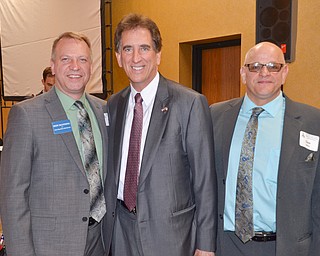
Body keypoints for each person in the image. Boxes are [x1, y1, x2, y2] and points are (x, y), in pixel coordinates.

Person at [102, 13, 217, 256]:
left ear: (158, 55)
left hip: (172, 236)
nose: (136, 58)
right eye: (127, 49)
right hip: (121, 231)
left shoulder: (189, 103)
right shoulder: (113, 105)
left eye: (144, 48)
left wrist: (205, 244)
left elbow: (205, 180)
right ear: (118, 58)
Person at [0, 32, 108, 256]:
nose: (75, 66)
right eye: (66, 59)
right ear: (53, 66)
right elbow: (13, 195)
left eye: (82, 59)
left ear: (91, 67)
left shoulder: (103, 110)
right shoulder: (27, 115)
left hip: (101, 241)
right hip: (50, 245)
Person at [210, 41, 320, 256]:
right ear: (243, 73)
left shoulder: (312, 122)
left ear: (284, 72)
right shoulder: (214, 116)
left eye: (273, 66)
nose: (264, 72)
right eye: (255, 66)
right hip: (224, 244)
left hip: (285, 247)